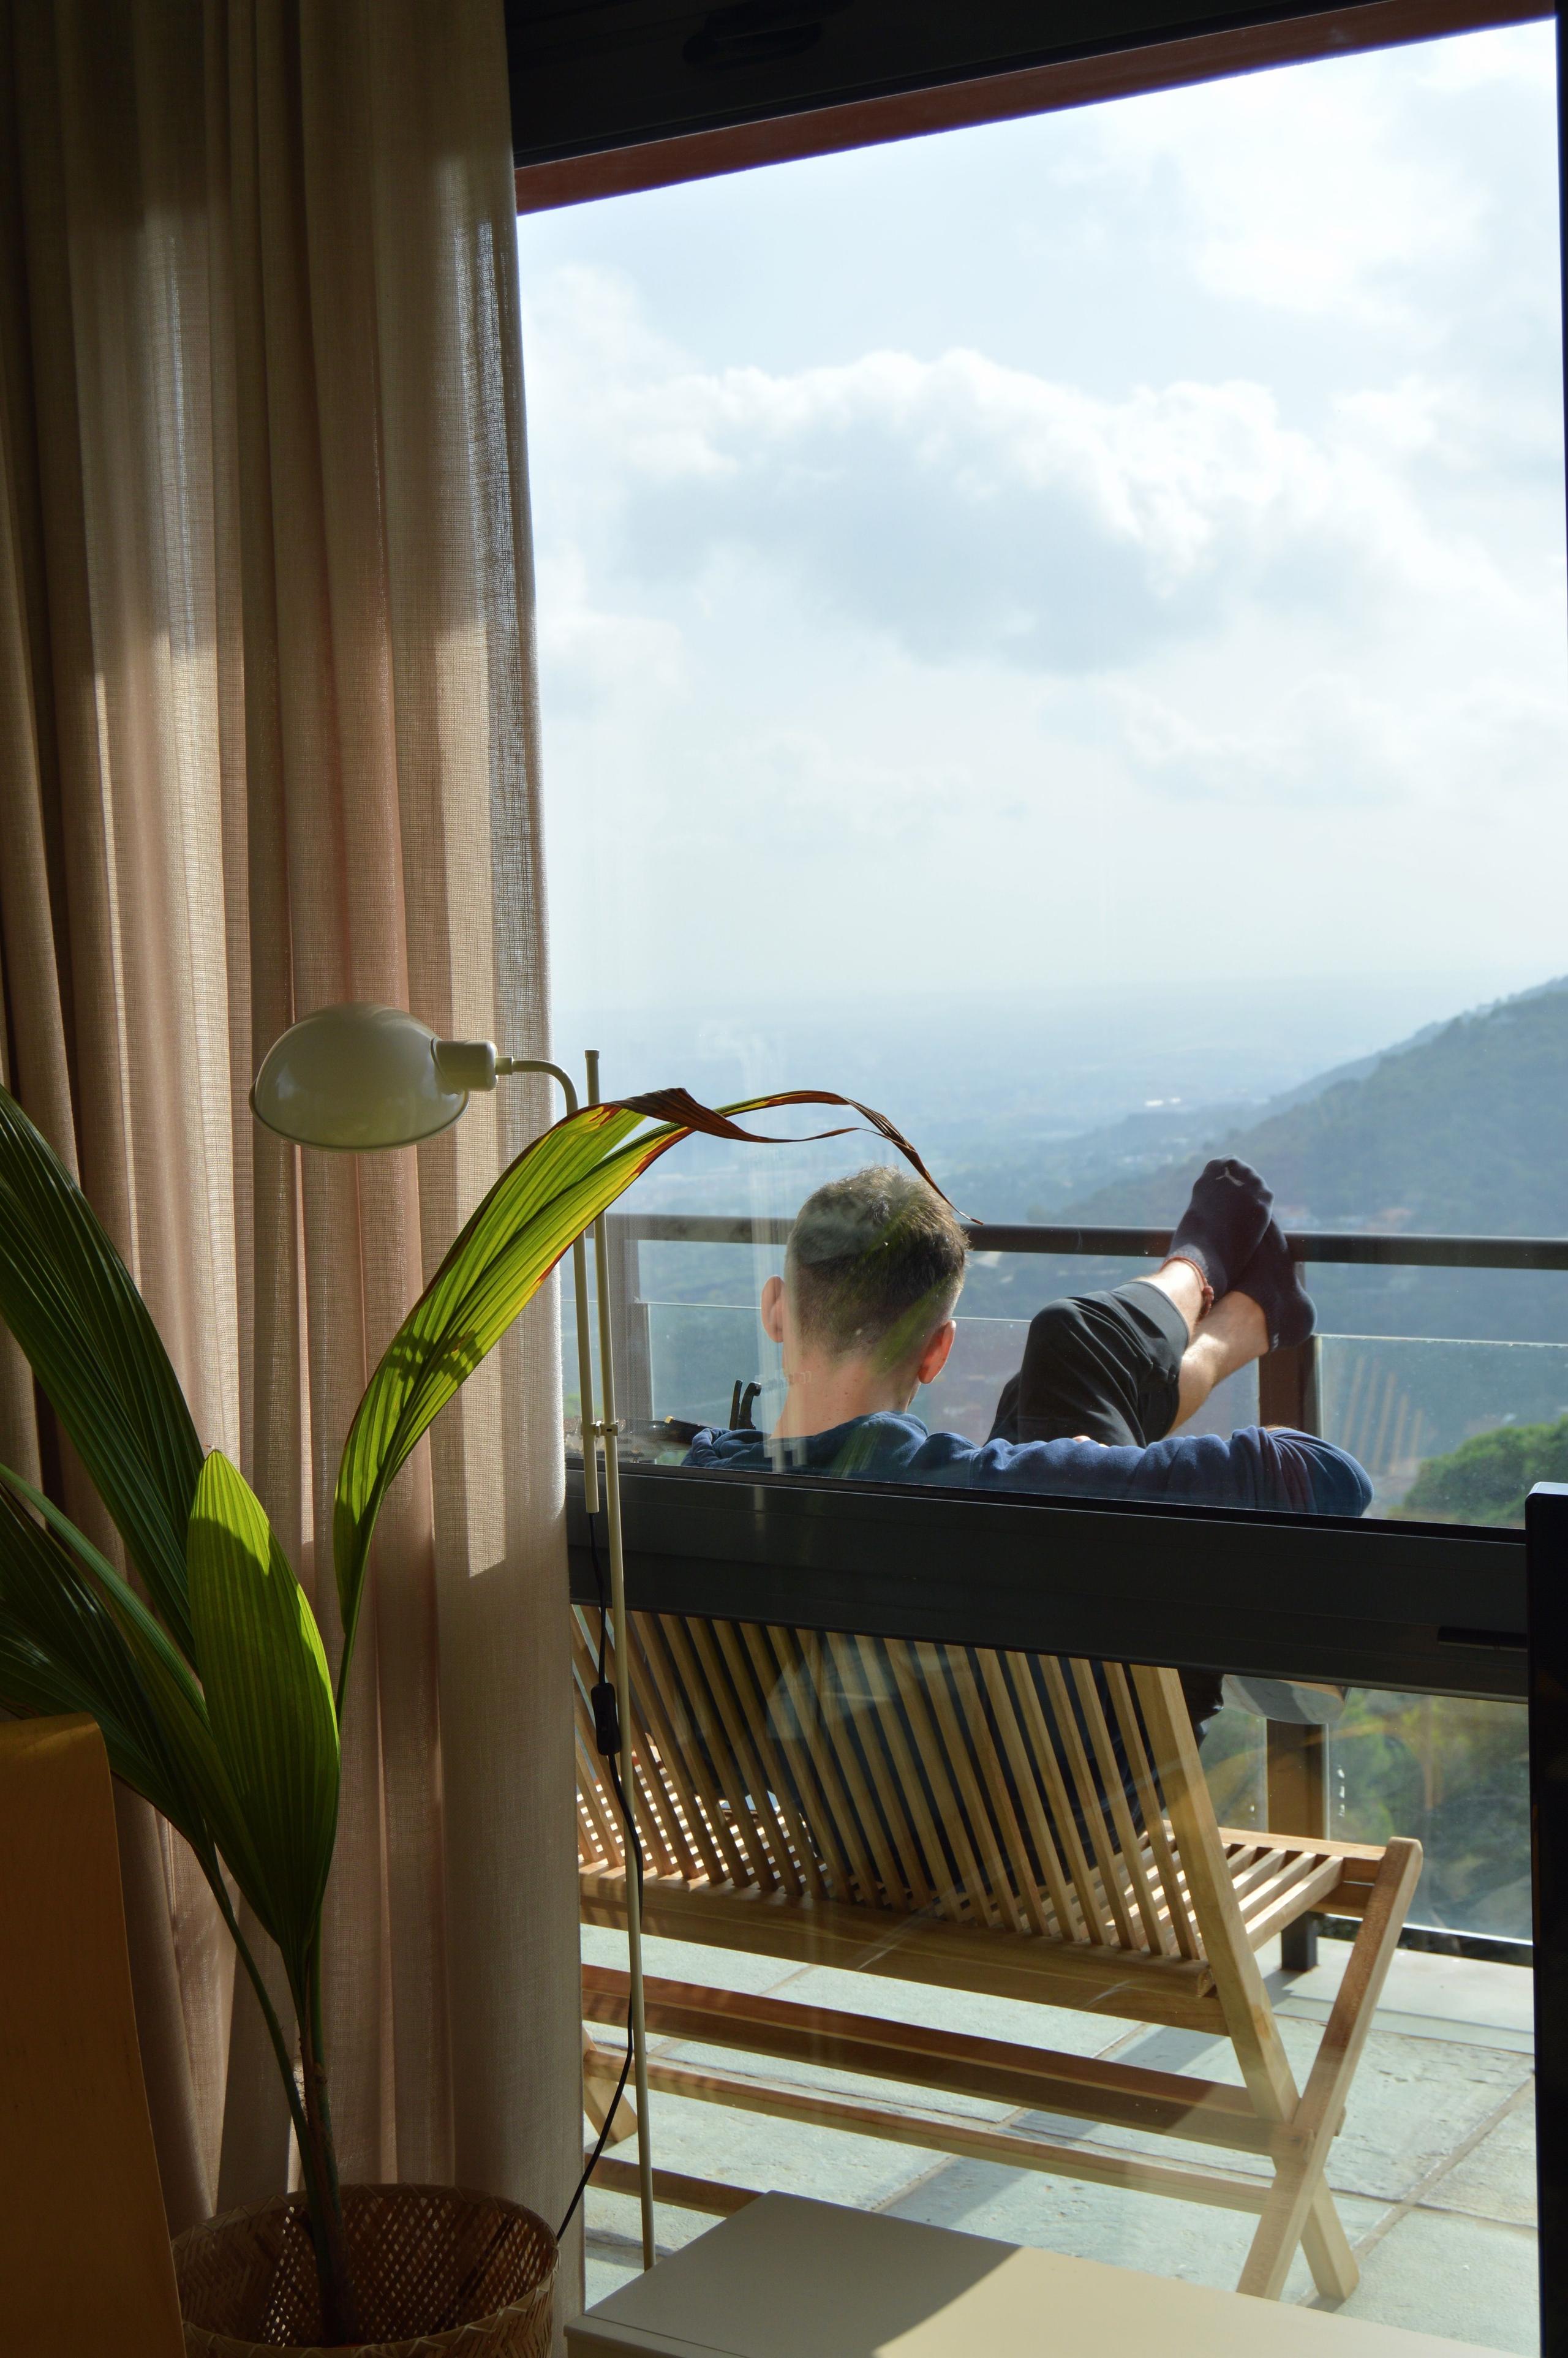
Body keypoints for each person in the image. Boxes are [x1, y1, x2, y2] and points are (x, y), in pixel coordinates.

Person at [685, 1159, 1370, 1518]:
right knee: (1071, 1344)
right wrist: (1088, 1467)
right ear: (937, 1351)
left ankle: (1234, 1311)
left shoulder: (683, 1488)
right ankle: (1208, 1283)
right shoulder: (1010, 1489)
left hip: (816, 1785)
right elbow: (1329, 1479)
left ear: (775, 1309)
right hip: (1087, 1769)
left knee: (1041, 1387)